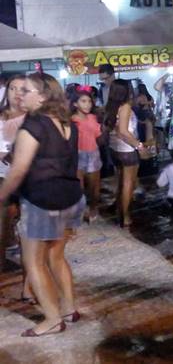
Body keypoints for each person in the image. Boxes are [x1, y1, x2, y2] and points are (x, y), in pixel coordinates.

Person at [0, 73, 84, 336]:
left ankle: (52, 319)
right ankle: (69, 309)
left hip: (42, 200)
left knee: (33, 261)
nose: (20, 94)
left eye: (26, 90)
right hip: (70, 196)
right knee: (56, 256)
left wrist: (1, 196)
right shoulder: (66, 123)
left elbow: (18, 171)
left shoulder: (33, 126)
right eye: (18, 90)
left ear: (43, 96)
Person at [104, 79, 143, 228]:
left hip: (115, 149)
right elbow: (124, 131)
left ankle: (120, 210)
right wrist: (139, 145)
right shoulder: (125, 106)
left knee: (121, 182)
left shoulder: (111, 106)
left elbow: (109, 128)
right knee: (128, 183)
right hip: (127, 150)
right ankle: (125, 216)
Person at [0, 76, 26, 274]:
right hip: (4, 175)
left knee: (22, 219)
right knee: (4, 217)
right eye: (12, 88)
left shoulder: (32, 116)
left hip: (29, 176)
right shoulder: (2, 117)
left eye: (22, 89)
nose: (17, 93)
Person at [70, 86, 102, 223]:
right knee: (78, 188)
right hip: (77, 155)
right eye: (83, 101)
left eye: (89, 101)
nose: (87, 104)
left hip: (93, 154)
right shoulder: (71, 120)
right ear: (75, 104)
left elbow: (98, 136)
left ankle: (93, 208)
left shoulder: (93, 117)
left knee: (94, 187)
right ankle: (80, 211)